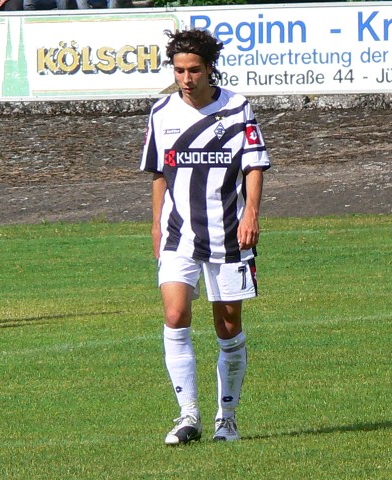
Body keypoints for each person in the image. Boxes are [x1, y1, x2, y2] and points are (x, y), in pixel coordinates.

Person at [139, 28, 270, 444]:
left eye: (194, 70)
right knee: (175, 315)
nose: (186, 78)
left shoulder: (237, 108)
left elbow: (254, 165)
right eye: (179, 70)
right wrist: (156, 225)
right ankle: (188, 415)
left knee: (228, 326)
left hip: (229, 235)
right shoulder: (162, 112)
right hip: (179, 233)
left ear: (210, 68)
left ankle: (226, 418)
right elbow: (159, 173)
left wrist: (251, 214)